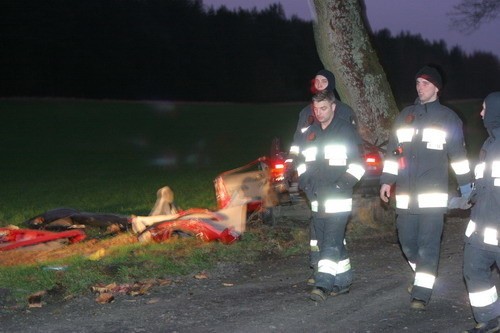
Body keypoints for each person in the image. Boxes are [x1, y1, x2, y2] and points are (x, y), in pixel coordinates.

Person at [379, 65, 473, 310]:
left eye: (426, 83)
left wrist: (467, 189)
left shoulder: (448, 118)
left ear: (437, 88)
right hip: (406, 198)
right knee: (407, 243)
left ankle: (421, 292)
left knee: (428, 245)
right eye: (418, 83)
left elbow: (459, 158)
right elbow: (392, 153)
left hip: (432, 199)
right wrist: (386, 180)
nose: (420, 87)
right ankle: (423, 274)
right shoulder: (404, 116)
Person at [286, 69, 359, 286]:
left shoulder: (344, 114)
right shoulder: (306, 114)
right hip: (315, 185)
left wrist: (343, 182)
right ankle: (329, 271)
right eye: (316, 80)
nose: (319, 84)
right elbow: (299, 142)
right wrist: (294, 166)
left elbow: (353, 152)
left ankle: (324, 279)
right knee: (319, 232)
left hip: (335, 184)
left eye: (324, 80)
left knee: (332, 234)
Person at [462, 92, 500, 333]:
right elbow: (483, 184)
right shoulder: (487, 145)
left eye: (485, 108)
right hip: (480, 228)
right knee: (473, 270)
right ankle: (489, 318)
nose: (481, 113)